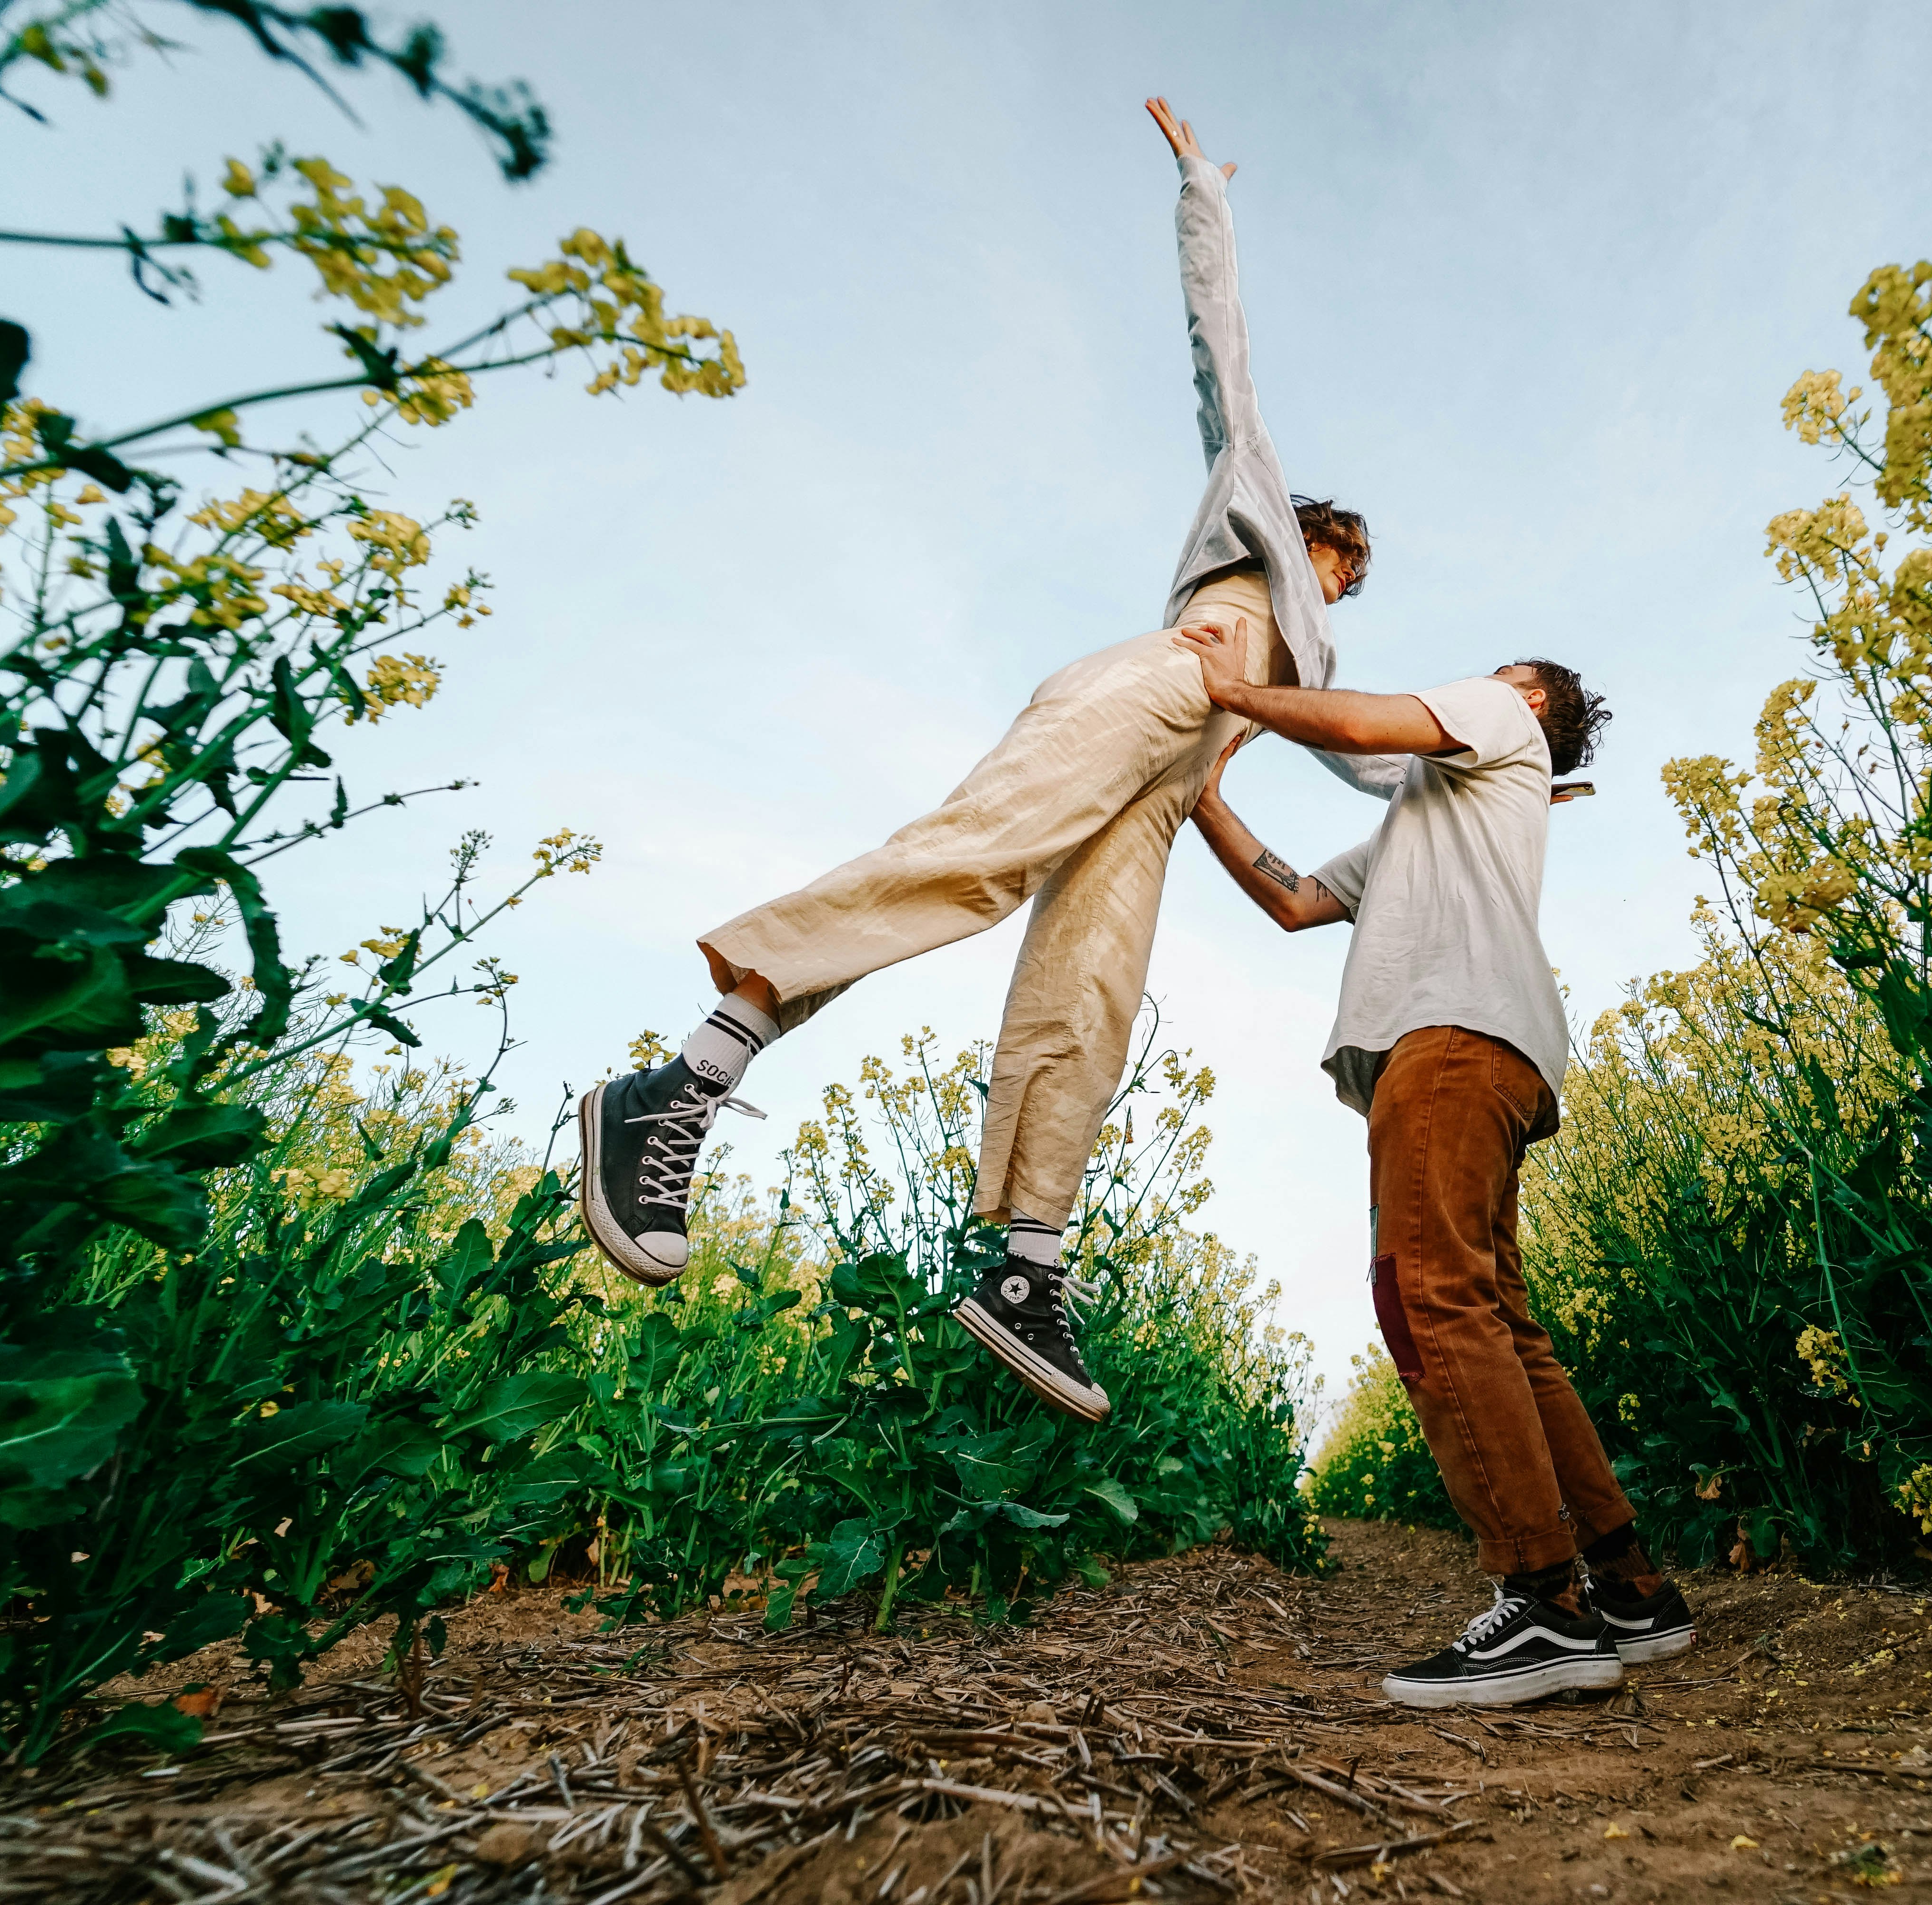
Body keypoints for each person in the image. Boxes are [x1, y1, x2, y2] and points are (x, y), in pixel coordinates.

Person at [576, 100, 1387, 1428]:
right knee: (972, 865)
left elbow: (1365, 764)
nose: (1339, 581)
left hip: (1172, 789)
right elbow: (1220, 360)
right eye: (1335, 555)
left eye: (1348, 574)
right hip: (1151, 690)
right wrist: (1203, 197)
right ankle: (677, 1090)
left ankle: (1025, 1268)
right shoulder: (1251, 511)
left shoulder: (1324, 669)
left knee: (1092, 998)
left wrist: (1487, 776)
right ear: (1304, 532)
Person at [1179, 634, 1699, 1706]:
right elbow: (1295, 900)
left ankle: (1544, 1602)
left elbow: (1370, 723)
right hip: (1487, 1045)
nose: (1478, 681)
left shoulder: (1503, 720)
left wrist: (1228, 690)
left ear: (1534, 708)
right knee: (1496, 1315)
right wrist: (1203, 800)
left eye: (1505, 674)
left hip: (1450, 1037)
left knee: (1427, 1295)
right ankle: (1630, 1587)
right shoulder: (1428, 819)